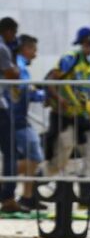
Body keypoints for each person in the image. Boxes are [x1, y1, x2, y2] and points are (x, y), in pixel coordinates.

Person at [45, 33, 90, 208]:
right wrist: (60, 100)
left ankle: (85, 201)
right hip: (63, 117)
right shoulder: (70, 58)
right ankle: (36, 182)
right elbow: (51, 81)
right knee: (61, 157)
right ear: (86, 46)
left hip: (81, 118)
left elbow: (84, 90)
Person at [9, 35, 45, 211]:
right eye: (33, 50)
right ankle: (24, 194)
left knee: (29, 157)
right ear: (24, 48)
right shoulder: (20, 66)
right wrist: (45, 95)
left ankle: (28, 196)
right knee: (35, 156)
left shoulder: (17, 64)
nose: (35, 54)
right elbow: (24, 90)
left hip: (16, 118)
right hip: (17, 119)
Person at [0, 17, 21, 213]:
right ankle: (7, 197)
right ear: (8, 31)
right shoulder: (3, 49)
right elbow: (11, 75)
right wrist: (15, 65)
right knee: (10, 151)